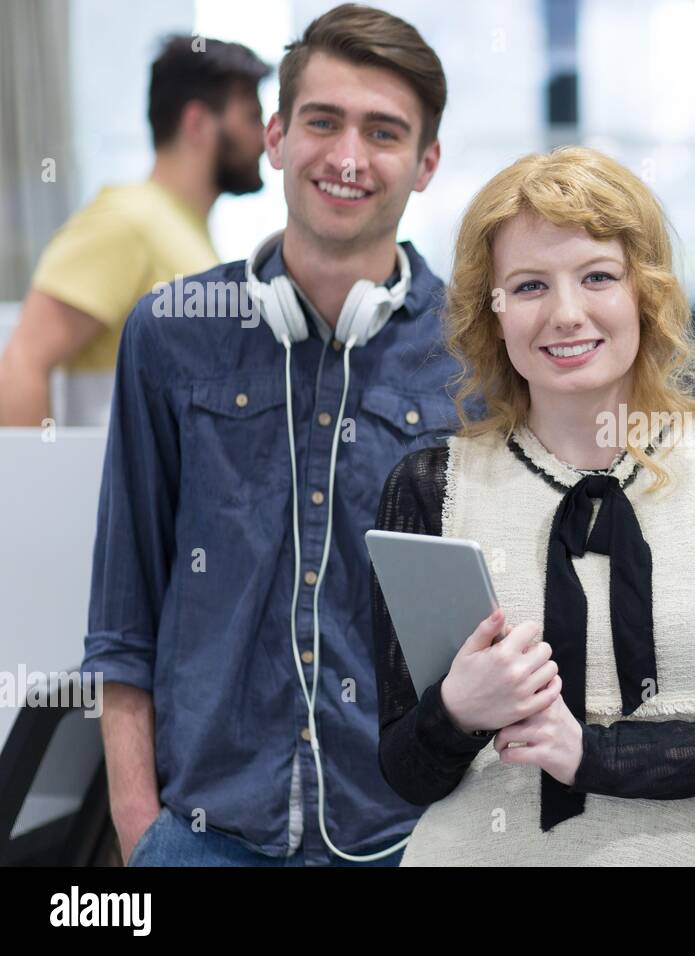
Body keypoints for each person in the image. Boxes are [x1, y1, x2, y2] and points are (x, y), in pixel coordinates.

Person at [371, 146, 695, 866]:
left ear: (643, 292)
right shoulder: (430, 485)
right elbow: (405, 772)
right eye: (528, 286)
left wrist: (593, 754)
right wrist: (456, 712)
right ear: (491, 313)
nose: (565, 314)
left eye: (597, 277)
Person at [84, 4, 457, 866]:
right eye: (323, 122)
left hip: (409, 837)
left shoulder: (475, 354)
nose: (348, 157)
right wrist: (142, 832)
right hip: (202, 836)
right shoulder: (169, 332)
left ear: (426, 162)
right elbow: (124, 607)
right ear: (277, 137)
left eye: (385, 131)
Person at [0, 35, 269, 426]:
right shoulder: (127, 220)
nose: (263, 137)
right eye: (251, 117)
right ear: (196, 123)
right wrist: (37, 486)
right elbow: (22, 362)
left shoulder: (184, 230)